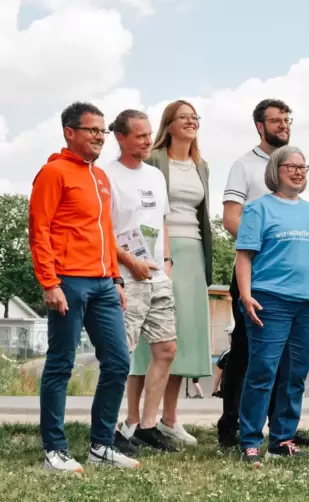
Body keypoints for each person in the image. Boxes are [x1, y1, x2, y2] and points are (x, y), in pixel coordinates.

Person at [29, 101, 139, 471]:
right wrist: (49, 282)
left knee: (119, 361)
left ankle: (101, 446)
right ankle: (54, 450)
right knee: (60, 364)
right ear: (70, 132)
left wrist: (116, 277)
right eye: (92, 130)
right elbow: (39, 231)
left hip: (104, 284)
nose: (99, 137)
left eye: (103, 131)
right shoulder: (53, 173)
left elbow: (105, 231)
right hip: (68, 282)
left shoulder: (100, 178)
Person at [218, 99, 309, 448]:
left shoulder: (293, 167)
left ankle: (281, 428)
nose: (284, 125)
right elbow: (231, 219)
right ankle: (232, 425)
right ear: (260, 125)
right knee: (245, 353)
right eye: (276, 121)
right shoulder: (243, 166)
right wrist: (264, 246)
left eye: (287, 119)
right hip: (254, 276)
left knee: (286, 358)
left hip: (289, 283)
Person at [236, 145, 309, 466]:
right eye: (291, 166)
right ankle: (250, 441)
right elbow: (244, 256)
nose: (298, 172)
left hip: (307, 304)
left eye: (303, 167)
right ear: (275, 171)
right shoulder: (258, 209)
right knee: (263, 372)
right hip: (270, 301)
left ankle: (283, 439)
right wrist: (246, 294)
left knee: (295, 375)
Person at [127, 99, 213, 446]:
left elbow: (203, 215)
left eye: (195, 117)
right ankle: (133, 419)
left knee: (183, 339)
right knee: (149, 342)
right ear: (170, 124)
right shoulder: (154, 160)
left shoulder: (200, 166)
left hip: (192, 253)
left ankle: (170, 419)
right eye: (184, 117)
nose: (191, 122)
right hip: (158, 251)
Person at [104, 109, 178, 453]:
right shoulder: (106, 175)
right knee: (122, 354)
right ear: (120, 137)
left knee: (166, 349)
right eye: (140, 136)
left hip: (157, 275)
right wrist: (129, 262)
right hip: (125, 275)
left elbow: (161, 221)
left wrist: (166, 262)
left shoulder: (155, 176)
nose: (148, 140)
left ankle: (148, 426)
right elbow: (101, 230)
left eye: (149, 134)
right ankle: (111, 427)